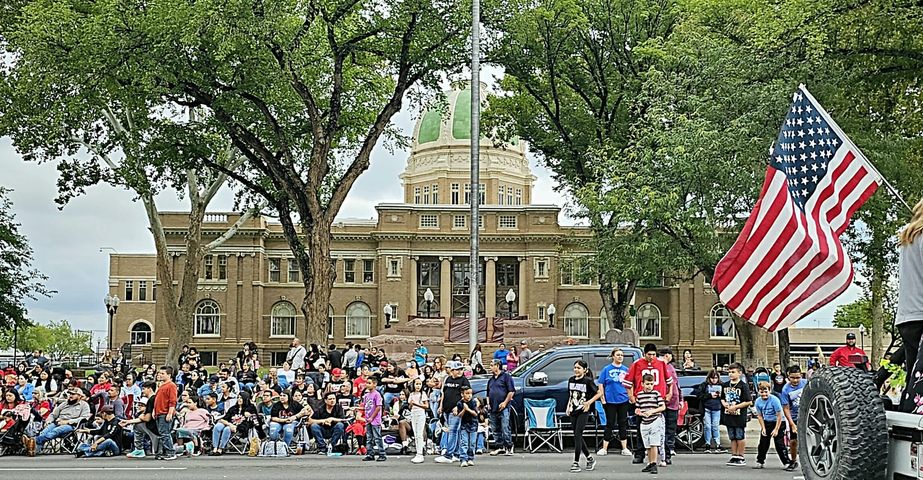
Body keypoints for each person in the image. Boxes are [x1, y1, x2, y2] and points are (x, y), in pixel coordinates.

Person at [626, 343, 673, 463]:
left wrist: (669, 393)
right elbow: (628, 382)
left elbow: (669, 381)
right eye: (649, 354)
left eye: (653, 354)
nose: (651, 357)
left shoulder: (661, 363)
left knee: (661, 429)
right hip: (642, 400)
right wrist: (631, 395)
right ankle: (640, 453)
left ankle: (665, 455)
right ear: (644, 354)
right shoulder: (637, 364)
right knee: (641, 429)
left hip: (658, 400)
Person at [899, 198, 923, 413]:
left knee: (913, 369)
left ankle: (910, 409)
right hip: (921, 312)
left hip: (908, 314)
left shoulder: (909, 238)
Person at [33, 388, 91, 455]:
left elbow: (84, 418)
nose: (70, 396)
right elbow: (53, 414)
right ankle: (35, 451)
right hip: (57, 423)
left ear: (79, 396)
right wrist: (48, 421)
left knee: (56, 430)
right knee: (44, 432)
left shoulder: (84, 405)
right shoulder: (64, 403)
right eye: (70, 394)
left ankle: (34, 440)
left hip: (71, 426)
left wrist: (68, 421)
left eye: (73, 394)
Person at [597, 347, 631, 457]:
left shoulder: (626, 369)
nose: (620, 357)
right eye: (618, 355)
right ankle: (604, 448)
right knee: (609, 423)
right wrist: (602, 397)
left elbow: (630, 384)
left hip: (623, 399)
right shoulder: (606, 369)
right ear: (613, 356)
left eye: (622, 355)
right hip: (610, 400)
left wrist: (631, 396)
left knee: (623, 423)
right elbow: (601, 383)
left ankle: (624, 447)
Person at [567, 360, 599, 473]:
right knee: (577, 436)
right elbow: (571, 395)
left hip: (583, 411)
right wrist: (568, 406)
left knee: (578, 434)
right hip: (573, 410)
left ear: (584, 370)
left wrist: (588, 403)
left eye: (579, 368)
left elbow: (599, 393)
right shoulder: (571, 380)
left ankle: (575, 462)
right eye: (575, 367)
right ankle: (590, 458)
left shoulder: (588, 381)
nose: (576, 370)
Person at [435, 360, 470, 464]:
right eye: (457, 370)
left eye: (461, 369)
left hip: (455, 411)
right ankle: (456, 453)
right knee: (454, 432)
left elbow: (466, 396)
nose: (459, 372)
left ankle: (448, 455)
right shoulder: (448, 379)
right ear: (452, 370)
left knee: (453, 431)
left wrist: (458, 406)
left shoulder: (464, 381)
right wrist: (441, 405)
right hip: (446, 409)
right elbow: (444, 393)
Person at [753, 381, 792, 469]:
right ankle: (760, 461)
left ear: (769, 391)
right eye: (761, 392)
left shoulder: (775, 400)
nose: (764, 394)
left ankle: (786, 462)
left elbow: (779, 415)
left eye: (766, 391)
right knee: (763, 443)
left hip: (778, 422)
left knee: (779, 443)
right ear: (758, 392)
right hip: (767, 422)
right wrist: (763, 428)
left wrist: (776, 429)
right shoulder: (758, 401)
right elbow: (760, 416)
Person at [721, 363, 752, 467]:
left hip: (739, 415)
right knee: (732, 436)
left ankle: (741, 456)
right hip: (728, 415)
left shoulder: (743, 385)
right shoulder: (725, 385)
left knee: (739, 435)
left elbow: (748, 401)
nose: (731, 374)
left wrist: (736, 407)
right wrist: (724, 403)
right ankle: (734, 455)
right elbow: (722, 398)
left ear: (739, 373)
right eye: (729, 372)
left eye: (733, 372)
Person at [211, 391, 258, 456]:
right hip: (230, 424)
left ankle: (221, 448)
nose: (239, 399)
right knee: (217, 426)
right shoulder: (233, 408)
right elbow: (224, 419)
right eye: (238, 397)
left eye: (241, 398)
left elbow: (252, 421)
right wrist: (230, 424)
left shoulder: (250, 408)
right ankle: (215, 448)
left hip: (241, 427)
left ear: (245, 398)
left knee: (227, 429)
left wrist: (237, 427)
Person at [637, 373, 666, 475]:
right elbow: (637, 407)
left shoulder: (656, 394)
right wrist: (638, 412)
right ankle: (649, 463)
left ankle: (654, 463)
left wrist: (652, 412)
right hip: (644, 422)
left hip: (655, 420)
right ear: (642, 384)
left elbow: (662, 407)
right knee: (647, 445)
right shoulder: (640, 395)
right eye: (647, 384)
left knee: (654, 443)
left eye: (651, 384)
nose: (649, 386)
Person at [122, 381, 160, 458]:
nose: (142, 391)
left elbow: (146, 418)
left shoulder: (151, 400)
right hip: (152, 426)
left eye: (143, 389)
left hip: (154, 428)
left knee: (161, 451)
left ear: (149, 389)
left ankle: (186, 446)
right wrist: (128, 422)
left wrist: (142, 416)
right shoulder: (152, 399)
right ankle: (139, 450)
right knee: (138, 426)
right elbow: (142, 418)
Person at [486, 359, 515, 456]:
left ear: (497, 366)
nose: (490, 367)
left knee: (505, 426)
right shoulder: (491, 380)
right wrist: (488, 403)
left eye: (491, 365)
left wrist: (505, 402)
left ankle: (509, 446)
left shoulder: (506, 377)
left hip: (504, 406)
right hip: (493, 407)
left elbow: (511, 391)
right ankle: (499, 446)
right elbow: (488, 393)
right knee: (495, 428)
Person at [694, 369, 726, 454]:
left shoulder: (722, 385)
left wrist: (720, 396)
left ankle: (717, 444)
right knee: (707, 426)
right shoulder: (704, 385)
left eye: (715, 378)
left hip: (717, 408)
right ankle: (707, 444)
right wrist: (709, 395)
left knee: (715, 426)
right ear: (709, 378)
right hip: (706, 408)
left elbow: (726, 396)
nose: (714, 380)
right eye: (712, 378)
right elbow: (699, 396)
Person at [781, 365, 805, 471]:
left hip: (807, 415)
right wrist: (792, 424)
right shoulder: (786, 389)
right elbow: (786, 408)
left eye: (797, 378)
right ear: (788, 377)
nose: (795, 380)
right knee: (793, 440)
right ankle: (793, 460)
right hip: (794, 416)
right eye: (792, 378)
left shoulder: (806, 383)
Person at [659, 347, 681, 465]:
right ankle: (663, 450)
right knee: (661, 428)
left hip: (674, 402)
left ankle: (669, 448)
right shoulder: (658, 368)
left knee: (671, 427)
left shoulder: (671, 368)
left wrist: (680, 399)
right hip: (662, 401)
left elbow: (676, 384)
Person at [454, 386, 480, 468]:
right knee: (464, 442)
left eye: (470, 394)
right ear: (462, 394)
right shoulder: (459, 403)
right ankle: (463, 459)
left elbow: (475, 413)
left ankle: (470, 458)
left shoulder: (473, 402)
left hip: (473, 425)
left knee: (472, 443)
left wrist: (468, 409)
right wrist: (464, 410)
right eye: (467, 393)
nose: (469, 396)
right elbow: (459, 415)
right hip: (464, 425)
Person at [361, 376, 385, 462]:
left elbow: (378, 407)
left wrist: (372, 417)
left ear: (374, 384)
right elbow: (365, 406)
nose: (367, 385)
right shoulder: (366, 395)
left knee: (377, 437)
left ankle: (382, 453)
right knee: (369, 437)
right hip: (368, 419)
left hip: (375, 420)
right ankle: (370, 453)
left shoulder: (377, 394)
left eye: (369, 383)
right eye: (366, 383)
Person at [407, 377, 429, 464]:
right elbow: (409, 406)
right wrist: (411, 405)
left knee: (419, 434)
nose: (418, 386)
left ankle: (420, 453)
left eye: (420, 384)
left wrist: (417, 404)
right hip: (413, 414)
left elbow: (426, 406)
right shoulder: (411, 394)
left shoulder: (423, 394)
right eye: (416, 384)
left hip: (420, 414)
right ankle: (417, 452)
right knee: (415, 434)